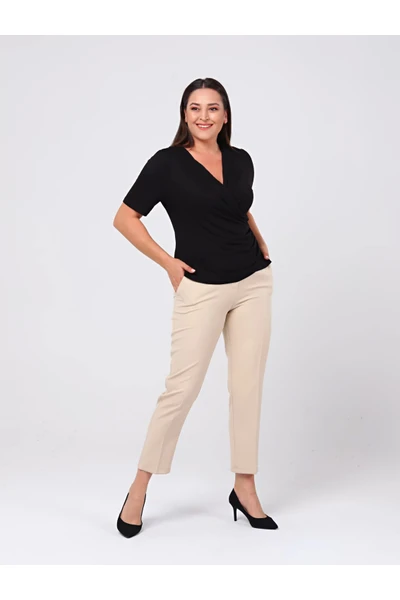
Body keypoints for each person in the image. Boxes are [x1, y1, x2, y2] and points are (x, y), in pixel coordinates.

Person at [113, 77, 278, 537]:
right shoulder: (166, 164)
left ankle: (245, 487)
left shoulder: (241, 160)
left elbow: (237, 208)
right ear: (184, 115)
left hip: (253, 282)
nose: (204, 116)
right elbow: (125, 218)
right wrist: (168, 263)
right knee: (181, 390)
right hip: (201, 287)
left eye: (213, 107)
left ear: (225, 115)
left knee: (247, 387)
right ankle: (139, 488)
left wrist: (260, 241)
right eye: (195, 108)